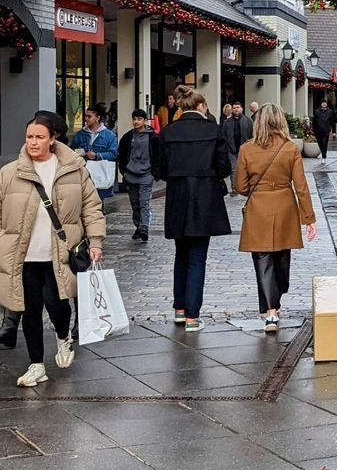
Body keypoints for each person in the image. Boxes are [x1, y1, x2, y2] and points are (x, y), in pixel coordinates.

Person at [0, 112, 105, 388]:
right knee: (30, 310)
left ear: (52, 139)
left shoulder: (73, 169)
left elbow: (91, 208)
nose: (33, 142)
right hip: (23, 256)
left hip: (58, 254)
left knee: (58, 305)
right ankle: (36, 364)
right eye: (29, 137)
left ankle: (63, 338)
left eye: (39, 137)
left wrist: (95, 242)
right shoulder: (10, 173)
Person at [236, 103, 318, 332]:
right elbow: (301, 187)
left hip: (258, 208)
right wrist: (309, 218)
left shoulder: (246, 149)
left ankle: (271, 312)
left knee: (262, 260)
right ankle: (274, 305)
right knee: (282, 259)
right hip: (284, 207)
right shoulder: (290, 148)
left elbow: (241, 186)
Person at [160, 83, 231, 330]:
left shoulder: (168, 132)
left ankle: (180, 308)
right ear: (200, 106)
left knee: (181, 254)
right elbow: (224, 167)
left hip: (177, 197)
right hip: (204, 196)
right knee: (197, 258)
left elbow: (159, 169)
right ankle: (193, 315)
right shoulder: (213, 130)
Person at [117, 108, 163, 242]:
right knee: (135, 203)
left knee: (144, 202)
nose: (136, 122)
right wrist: (124, 172)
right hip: (131, 174)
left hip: (146, 175)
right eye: (134, 119)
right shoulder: (127, 137)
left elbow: (159, 156)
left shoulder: (153, 137)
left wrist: (154, 174)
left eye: (139, 119)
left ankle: (144, 228)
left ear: (144, 120)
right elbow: (122, 155)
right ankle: (138, 225)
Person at [72, 104, 119, 203]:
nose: (86, 119)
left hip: (99, 173)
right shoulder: (80, 134)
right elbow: (72, 151)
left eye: (89, 116)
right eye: (85, 116)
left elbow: (113, 154)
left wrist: (97, 156)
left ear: (98, 118)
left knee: (97, 201)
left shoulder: (109, 136)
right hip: (83, 172)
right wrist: (81, 154)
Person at [313, 98, 337, 162]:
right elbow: (314, 122)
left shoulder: (330, 112)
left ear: (326, 104)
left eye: (325, 103)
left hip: (326, 131)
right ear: (321, 104)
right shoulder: (317, 111)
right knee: (320, 143)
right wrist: (314, 130)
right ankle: (323, 153)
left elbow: (333, 122)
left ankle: (324, 156)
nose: (324, 104)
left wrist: (334, 132)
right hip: (318, 131)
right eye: (323, 103)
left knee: (324, 143)